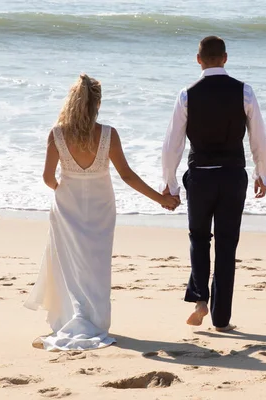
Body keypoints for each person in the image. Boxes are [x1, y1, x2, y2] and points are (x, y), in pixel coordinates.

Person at [25, 74, 180, 351]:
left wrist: (64, 188)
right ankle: (94, 321)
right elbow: (128, 176)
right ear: (97, 104)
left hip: (67, 206)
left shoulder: (57, 134)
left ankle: (69, 317)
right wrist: (161, 199)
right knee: (96, 264)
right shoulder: (108, 134)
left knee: (69, 264)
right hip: (101, 207)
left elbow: (48, 177)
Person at [161, 36, 266, 332]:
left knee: (199, 238)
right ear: (225, 58)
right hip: (232, 175)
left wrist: (170, 183)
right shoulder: (244, 92)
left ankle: (200, 300)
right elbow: (258, 137)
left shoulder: (187, 95)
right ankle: (221, 318)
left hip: (200, 176)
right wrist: (263, 173)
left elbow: (172, 144)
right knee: (226, 244)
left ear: (198, 60)